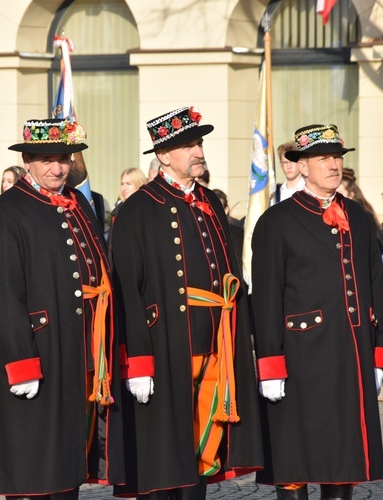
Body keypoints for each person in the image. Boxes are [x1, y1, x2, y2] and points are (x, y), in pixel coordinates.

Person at [112, 106, 263, 498]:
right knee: (164, 455)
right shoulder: (138, 208)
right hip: (167, 345)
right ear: (163, 155)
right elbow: (128, 288)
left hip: (216, 343)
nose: (198, 151)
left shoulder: (210, 200)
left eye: (199, 142)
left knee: (202, 449)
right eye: (188, 145)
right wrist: (139, 361)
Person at [0, 117, 125, 498]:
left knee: (68, 457)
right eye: (46, 159)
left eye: (63, 158)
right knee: (33, 458)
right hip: (39, 349)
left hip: (81, 349)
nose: (57, 168)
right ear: (27, 161)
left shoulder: (78, 202)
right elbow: (6, 295)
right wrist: (21, 363)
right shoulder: (5, 210)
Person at [251, 124, 383, 499]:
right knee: (294, 460)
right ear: (302, 166)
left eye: (338, 157)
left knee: (342, 461)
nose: (333, 164)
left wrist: (377, 355)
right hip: (299, 359)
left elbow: (374, 288)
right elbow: (265, 300)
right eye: (324, 158)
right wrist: (270, 365)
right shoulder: (275, 222)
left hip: (349, 357)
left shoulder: (357, 216)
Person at [212, 188, 244, 270]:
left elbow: (238, 263)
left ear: (226, 210)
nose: (214, 212)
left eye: (218, 208)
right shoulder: (202, 230)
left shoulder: (235, 232)